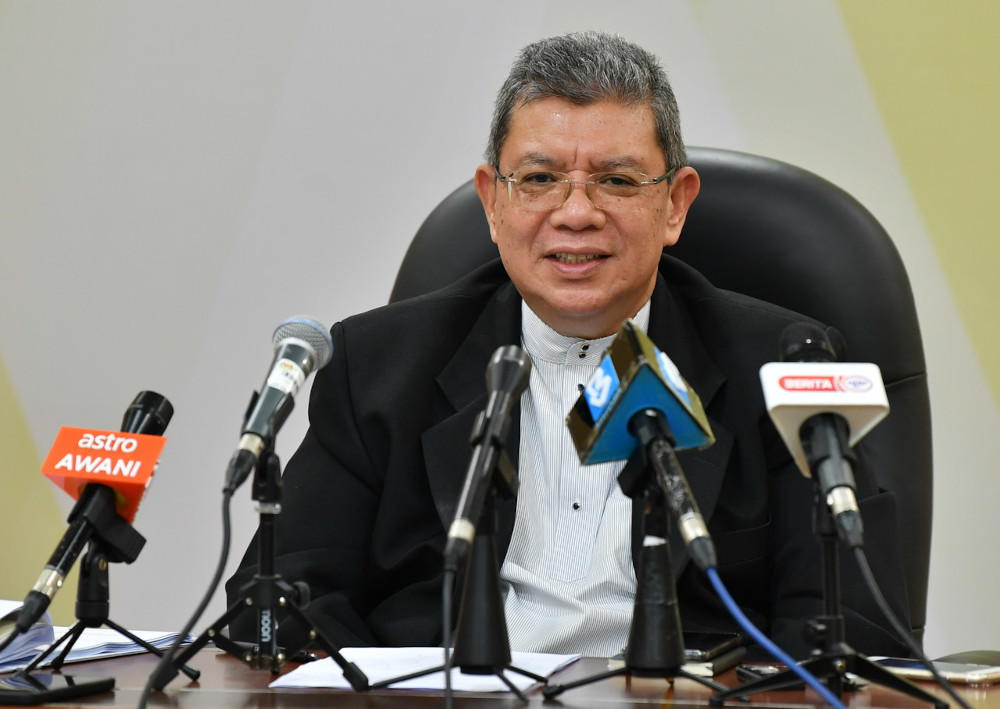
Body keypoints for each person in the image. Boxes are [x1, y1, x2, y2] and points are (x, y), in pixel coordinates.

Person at [227, 31, 911, 660]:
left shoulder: (781, 366)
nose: (576, 213)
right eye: (540, 178)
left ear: (674, 204)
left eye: (615, 180)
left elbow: (855, 625)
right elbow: (283, 599)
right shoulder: (377, 368)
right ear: (493, 201)